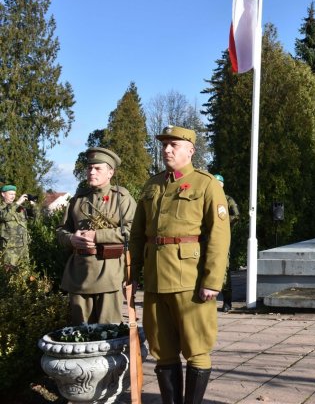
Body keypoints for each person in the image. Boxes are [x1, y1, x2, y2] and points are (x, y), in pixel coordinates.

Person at [130, 125, 230, 404]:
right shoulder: (152, 185)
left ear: (191, 150)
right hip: (154, 279)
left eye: (174, 145)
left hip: (190, 279)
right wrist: (132, 274)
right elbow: (138, 235)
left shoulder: (205, 184)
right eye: (164, 145)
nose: (167, 149)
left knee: (196, 347)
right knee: (163, 350)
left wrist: (212, 280)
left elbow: (219, 236)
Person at [57, 147, 136, 324]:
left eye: (98, 168)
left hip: (109, 272)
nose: (91, 172)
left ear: (110, 172)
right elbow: (61, 231)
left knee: (108, 333)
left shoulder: (121, 198)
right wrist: (71, 239)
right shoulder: (77, 199)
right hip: (79, 274)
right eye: (89, 168)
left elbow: (133, 232)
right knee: (80, 333)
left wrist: (96, 236)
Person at [213, 174, 240, 312]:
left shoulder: (227, 199)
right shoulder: (208, 197)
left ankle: (227, 302)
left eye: (219, 182)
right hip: (207, 237)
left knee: (224, 268)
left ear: (222, 184)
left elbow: (236, 215)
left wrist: (222, 221)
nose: (216, 184)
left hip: (222, 236)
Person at [0, 184, 34, 266]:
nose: (13, 196)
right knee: (10, 275)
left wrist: (33, 204)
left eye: (14, 194)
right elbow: (5, 216)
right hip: (9, 250)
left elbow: (35, 217)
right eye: (11, 194)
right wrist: (18, 202)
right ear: (3, 194)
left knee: (25, 274)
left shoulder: (20, 208)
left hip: (24, 248)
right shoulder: (1, 208)